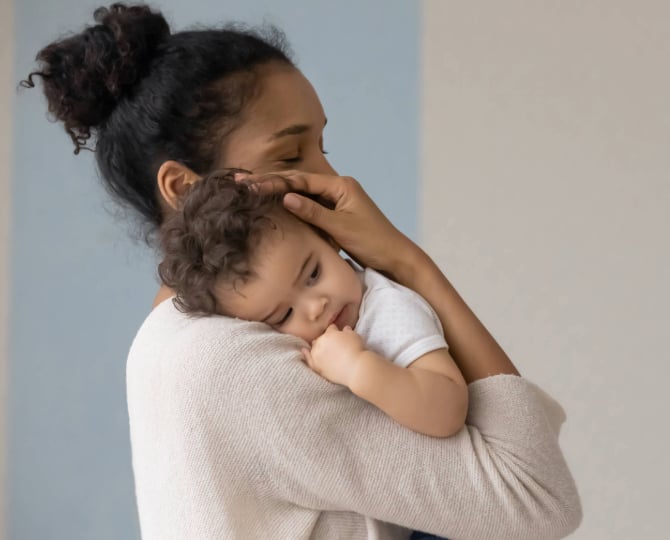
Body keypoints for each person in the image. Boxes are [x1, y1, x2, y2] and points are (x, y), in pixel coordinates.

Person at [23, 3, 581, 539]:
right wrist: (408, 263)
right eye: (291, 156)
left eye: (323, 146)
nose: (337, 180)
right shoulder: (233, 364)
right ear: (186, 188)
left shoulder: (184, 339)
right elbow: (537, 497)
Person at [157, 171, 469, 441]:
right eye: (284, 315)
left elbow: (449, 408)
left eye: (313, 274)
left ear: (329, 239)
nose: (316, 307)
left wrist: (358, 368)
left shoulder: (387, 310)